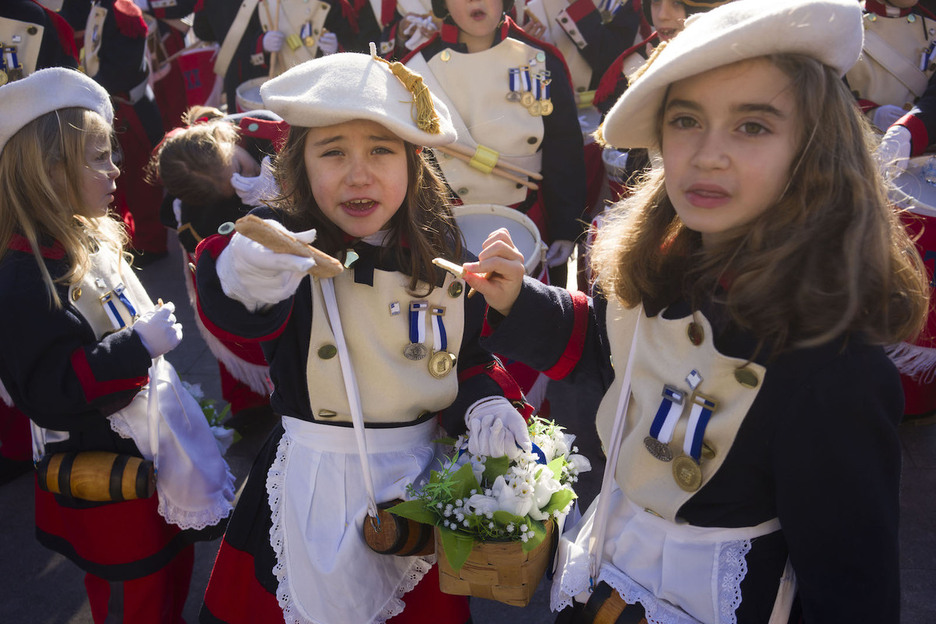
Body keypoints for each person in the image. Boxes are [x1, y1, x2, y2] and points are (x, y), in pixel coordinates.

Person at [464, 0, 930, 621]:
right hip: (609, 568)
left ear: (816, 150)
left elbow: (851, 593)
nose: (708, 154)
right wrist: (519, 300)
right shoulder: (659, 273)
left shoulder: (835, 370)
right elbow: (610, 352)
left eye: (752, 126)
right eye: (686, 120)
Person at [195, 51, 534, 624]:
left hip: (418, 492)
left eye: (381, 150)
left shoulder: (443, 249)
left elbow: (466, 359)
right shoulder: (289, 245)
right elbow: (236, 297)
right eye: (333, 152)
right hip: (312, 487)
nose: (359, 174)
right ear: (300, 165)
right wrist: (243, 275)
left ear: (413, 162)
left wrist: (485, 403)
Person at [0, 67, 235, 624]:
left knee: (171, 571)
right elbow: (47, 391)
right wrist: (137, 346)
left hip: (146, 453)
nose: (115, 171)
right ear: (49, 171)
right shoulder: (21, 276)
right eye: (99, 158)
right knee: (137, 596)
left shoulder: (83, 233)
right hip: (106, 473)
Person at [148, 105, 289, 432]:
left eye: (240, 167)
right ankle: (249, 405)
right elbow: (180, 223)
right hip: (237, 253)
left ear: (223, 138)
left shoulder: (262, 129)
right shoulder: (194, 203)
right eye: (233, 184)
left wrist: (279, 189)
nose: (246, 177)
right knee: (226, 315)